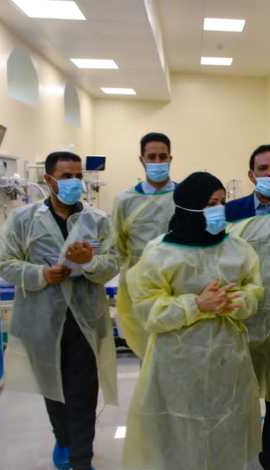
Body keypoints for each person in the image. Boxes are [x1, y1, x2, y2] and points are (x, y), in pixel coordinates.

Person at [122, 172, 264, 470]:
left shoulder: (238, 248)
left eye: (222, 202)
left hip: (228, 359)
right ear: (189, 206)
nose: (219, 209)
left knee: (227, 427)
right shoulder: (160, 253)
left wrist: (233, 302)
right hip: (177, 363)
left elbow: (254, 290)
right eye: (211, 203)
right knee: (180, 432)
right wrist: (197, 305)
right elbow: (148, 310)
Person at [0, 151, 119, 470]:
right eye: (66, 177)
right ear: (49, 180)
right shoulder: (24, 220)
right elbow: (6, 263)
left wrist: (89, 262)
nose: (74, 182)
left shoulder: (97, 220)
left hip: (85, 320)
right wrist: (42, 274)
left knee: (84, 392)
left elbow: (112, 263)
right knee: (53, 388)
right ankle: (63, 439)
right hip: (41, 319)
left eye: (78, 176)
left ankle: (81, 457)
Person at [226, 145, 270, 470]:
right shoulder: (231, 211)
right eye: (263, 169)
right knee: (240, 391)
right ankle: (240, 454)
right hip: (242, 318)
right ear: (251, 175)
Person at [111, 132, 176, 358]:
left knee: (178, 351)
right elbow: (117, 245)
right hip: (140, 289)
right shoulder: (125, 200)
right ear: (142, 159)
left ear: (170, 158)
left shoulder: (183, 196)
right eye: (152, 157)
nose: (157, 162)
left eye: (163, 157)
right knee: (147, 353)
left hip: (178, 286)